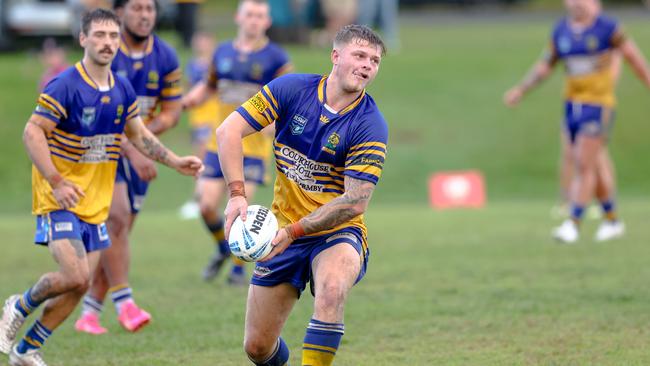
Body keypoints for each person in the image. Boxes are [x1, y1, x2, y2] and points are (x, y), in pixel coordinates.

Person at [0, 9, 202, 366]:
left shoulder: (122, 88)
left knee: (79, 285)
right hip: (58, 197)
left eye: (112, 36)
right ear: (83, 39)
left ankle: (26, 350)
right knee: (75, 274)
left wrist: (174, 161)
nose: (108, 42)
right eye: (99, 35)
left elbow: (138, 135)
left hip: (94, 203)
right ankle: (18, 305)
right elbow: (32, 132)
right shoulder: (65, 84)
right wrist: (57, 182)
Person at [217, 24, 387, 366]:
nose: (368, 65)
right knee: (257, 347)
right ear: (335, 56)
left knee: (333, 289)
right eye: (360, 55)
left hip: (337, 232)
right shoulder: (291, 89)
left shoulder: (370, 124)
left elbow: (355, 201)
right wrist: (237, 195)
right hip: (281, 228)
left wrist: (294, 231)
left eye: (375, 60)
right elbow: (228, 130)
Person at [74, 0, 183, 335]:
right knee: (117, 218)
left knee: (116, 238)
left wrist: (142, 141)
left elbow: (171, 112)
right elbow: (97, 116)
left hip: (140, 152)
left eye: (149, 8)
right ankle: (126, 303)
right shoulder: (107, 51)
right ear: (120, 14)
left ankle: (89, 314)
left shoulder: (165, 56)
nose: (145, 14)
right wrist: (134, 148)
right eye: (136, 8)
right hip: (101, 152)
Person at [503, 0, 650, 243]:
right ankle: (612, 220)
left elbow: (634, 59)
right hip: (572, 105)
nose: (576, 3)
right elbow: (545, 66)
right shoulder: (561, 31)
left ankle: (573, 224)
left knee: (583, 162)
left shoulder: (608, 28)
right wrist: (521, 90)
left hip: (598, 104)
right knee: (592, 164)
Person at [182, 0, 293, 285]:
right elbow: (208, 85)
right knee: (206, 205)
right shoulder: (222, 52)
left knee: (242, 210)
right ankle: (222, 247)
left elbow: (288, 98)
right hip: (217, 145)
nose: (254, 21)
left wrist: (274, 125)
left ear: (267, 22)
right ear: (238, 17)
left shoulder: (276, 58)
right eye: (250, 15)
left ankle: (238, 269)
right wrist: (189, 100)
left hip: (253, 149)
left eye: (260, 16)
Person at [178, 31, 219, 220]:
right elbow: (188, 89)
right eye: (199, 40)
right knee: (199, 157)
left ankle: (199, 198)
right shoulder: (192, 66)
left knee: (205, 158)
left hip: (214, 119)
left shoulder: (217, 64)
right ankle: (201, 199)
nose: (201, 44)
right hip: (198, 118)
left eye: (205, 40)